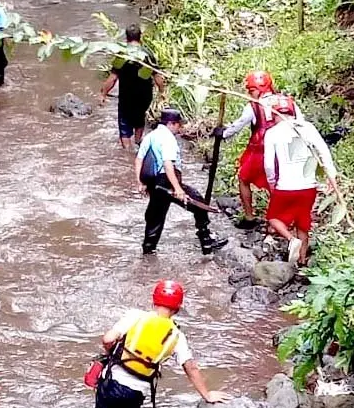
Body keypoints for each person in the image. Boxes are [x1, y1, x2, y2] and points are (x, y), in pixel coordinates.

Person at [92, 280, 231, 408]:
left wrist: (111, 351)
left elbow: (107, 339)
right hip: (137, 392)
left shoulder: (136, 316)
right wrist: (207, 394)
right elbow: (191, 367)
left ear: (154, 301)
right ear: (177, 308)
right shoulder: (177, 336)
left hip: (112, 385)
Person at [213, 70, 303, 229]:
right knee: (279, 184)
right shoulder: (288, 101)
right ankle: (282, 221)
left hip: (261, 150)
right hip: (287, 149)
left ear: (259, 89)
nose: (249, 93)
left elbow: (239, 125)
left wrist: (223, 134)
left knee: (244, 178)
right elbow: (301, 123)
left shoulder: (254, 106)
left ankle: (251, 217)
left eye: (251, 90)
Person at [136, 108, 228, 255]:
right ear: (171, 124)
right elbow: (168, 165)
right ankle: (206, 240)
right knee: (198, 203)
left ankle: (148, 250)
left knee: (155, 217)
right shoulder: (168, 140)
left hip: (153, 183)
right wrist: (177, 189)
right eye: (178, 124)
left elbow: (139, 159)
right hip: (166, 182)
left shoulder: (150, 136)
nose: (180, 128)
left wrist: (140, 182)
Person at [263, 94, 337, 266]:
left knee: (273, 217)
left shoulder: (272, 133)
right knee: (302, 222)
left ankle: (291, 239)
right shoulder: (308, 127)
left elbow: (268, 164)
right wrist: (331, 176)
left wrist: (272, 182)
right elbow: (324, 152)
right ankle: (302, 262)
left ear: (273, 114)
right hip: (308, 186)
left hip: (285, 186)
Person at [99, 24, 166, 149]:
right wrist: (162, 92)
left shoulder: (122, 55)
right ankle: (138, 143)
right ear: (140, 37)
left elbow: (113, 78)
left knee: (124, 123)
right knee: (140, 116)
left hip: (127, 96)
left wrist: (103, 94)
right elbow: (157, 76)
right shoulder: (147, 54)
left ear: (127, 38)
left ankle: (127, 151)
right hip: (144, 96)